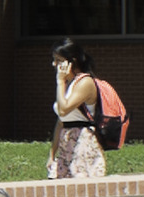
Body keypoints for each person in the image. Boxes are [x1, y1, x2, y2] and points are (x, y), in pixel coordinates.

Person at [46, 40, 110, 179]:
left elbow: (64, 110)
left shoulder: (85, 82)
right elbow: (61, 120)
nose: (54, 64)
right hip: (66, 141)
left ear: (71, 62)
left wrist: (60, 82)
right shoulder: (68, 84)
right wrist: (52, 154)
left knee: (81, 186)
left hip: (82, 142)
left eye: (58, 60)